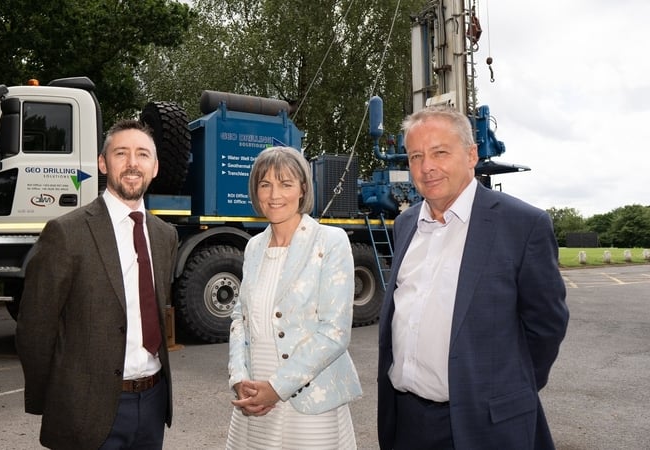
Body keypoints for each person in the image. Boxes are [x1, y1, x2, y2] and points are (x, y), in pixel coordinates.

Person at [377, 106, 569, 449]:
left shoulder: (522, 225)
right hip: (407, 423)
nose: (427, 167)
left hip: (484, 427)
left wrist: (505, 390)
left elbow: (546, 327)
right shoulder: (405, 224)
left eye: (440, 152)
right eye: (416, 156)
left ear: (471, 155)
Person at [16, 119, 178, 450]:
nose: (133, 163)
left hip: (152, 402)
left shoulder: (165, 236)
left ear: (155, 167)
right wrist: (54, 400)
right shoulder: (66, 233)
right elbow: (35, 328)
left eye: (143, 155)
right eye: (122, 153)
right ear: (103, 163)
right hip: (86, 409)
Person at [226, 146, 362, 449]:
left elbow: (334, 332)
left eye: (285, 183)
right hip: (253, 397)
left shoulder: (330, 241)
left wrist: (276, 388)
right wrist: (238, 378)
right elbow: (240, 319)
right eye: (265, 184)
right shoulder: (253, 247)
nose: (275, 194)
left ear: (302, 188)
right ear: (256, 191)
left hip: (310, 403)